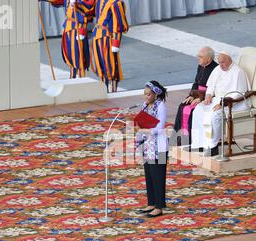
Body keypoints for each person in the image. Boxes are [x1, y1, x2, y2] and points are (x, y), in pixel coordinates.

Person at [190, 51, 250, 157]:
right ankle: (200, 143)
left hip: (233, 103)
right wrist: (208, 95)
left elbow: (239, 94)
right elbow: (211, 86)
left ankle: (212, 147)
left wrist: (223, 104)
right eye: (219, 62)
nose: (221, 65)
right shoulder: (218, 69)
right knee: (198, 109)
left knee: (215, 115)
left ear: (229, 60)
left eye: (223, 62)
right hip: (217, 100)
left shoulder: (238, 72)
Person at [172, 46, 218, 147]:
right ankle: (179, 138)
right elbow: (196, 83)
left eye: (200, 57)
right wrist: (191, 95)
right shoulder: (200, 65)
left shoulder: (216, 69)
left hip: (207, 97)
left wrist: (200, 98)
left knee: (193, 111)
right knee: (182, 106)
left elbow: (214, 89)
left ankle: (192, 140)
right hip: (197, 94)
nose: (198, 58)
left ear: (209, 59)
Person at [136, 81, 168, 218]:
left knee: (158, 176)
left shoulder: (161, 106)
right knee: (149, 174)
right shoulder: (144, 106)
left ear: (156, 94)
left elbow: (160, 128)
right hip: (147, 144)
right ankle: (151, 203)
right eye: (145, 94)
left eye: (149, 94)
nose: (146, 97)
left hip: (158, 146)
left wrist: (144, 129)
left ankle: (159, 206)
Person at [91, 0, 129, 92]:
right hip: (97, 35)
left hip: (108, 38)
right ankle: (104, 90)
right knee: (100, 66)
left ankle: (113, 91)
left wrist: (116, 42)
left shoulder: (116, 3)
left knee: (111, 67)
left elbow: (119, 25)